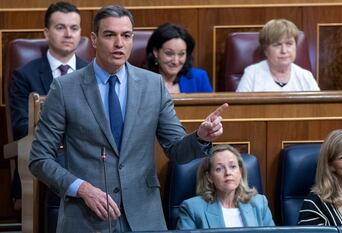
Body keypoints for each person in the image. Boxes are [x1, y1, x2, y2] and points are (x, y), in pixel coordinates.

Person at [29, 4, 228, 233]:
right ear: (94, 39)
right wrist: (82, 189)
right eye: (110, 35)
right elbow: (39, 159)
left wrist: (201, 137)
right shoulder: (65, 88)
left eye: (126, 35)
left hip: (144, 217)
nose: (119, 43)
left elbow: (177, 150)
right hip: (86, 217)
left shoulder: (153, 85)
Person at [8, 1, 86, 215]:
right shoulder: (25, 75)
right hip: (43, 159)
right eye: (60, 27)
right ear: (46, 32)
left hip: (91, 160)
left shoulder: (93, 73)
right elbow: (22, 126)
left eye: (74, 28)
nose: (68, 34)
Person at [177, 144, 275, 229]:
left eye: (233, 167)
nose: (228, 173)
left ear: (240, 172)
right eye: (219, 169)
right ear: (210, 177)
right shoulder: (192, 208)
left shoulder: (259, 203)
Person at [236, 19, 319, 92]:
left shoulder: (306, 76)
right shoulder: (252, 74)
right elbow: (239, 108)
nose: (284, 50)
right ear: (266, 50)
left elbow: (318, 108)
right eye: (277, 45)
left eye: (289, 44)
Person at [145, 23, 213, 93]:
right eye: (169, 53)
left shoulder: (199, 78)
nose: (176, 61)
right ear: (156, 52)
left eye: (181, 54)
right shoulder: (142, 81)